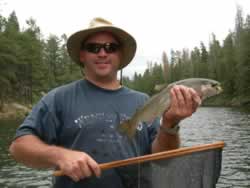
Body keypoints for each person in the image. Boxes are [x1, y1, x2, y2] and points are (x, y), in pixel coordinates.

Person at [9, 17, 201, 188]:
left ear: (120, 55)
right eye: (94, 47)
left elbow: (163, 160)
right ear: (82, 55)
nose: (102, 53)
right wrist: (60, 156)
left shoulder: (143, 101)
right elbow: (19, 147)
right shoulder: (58, 98)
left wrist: (170, 124)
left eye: (111, 47)